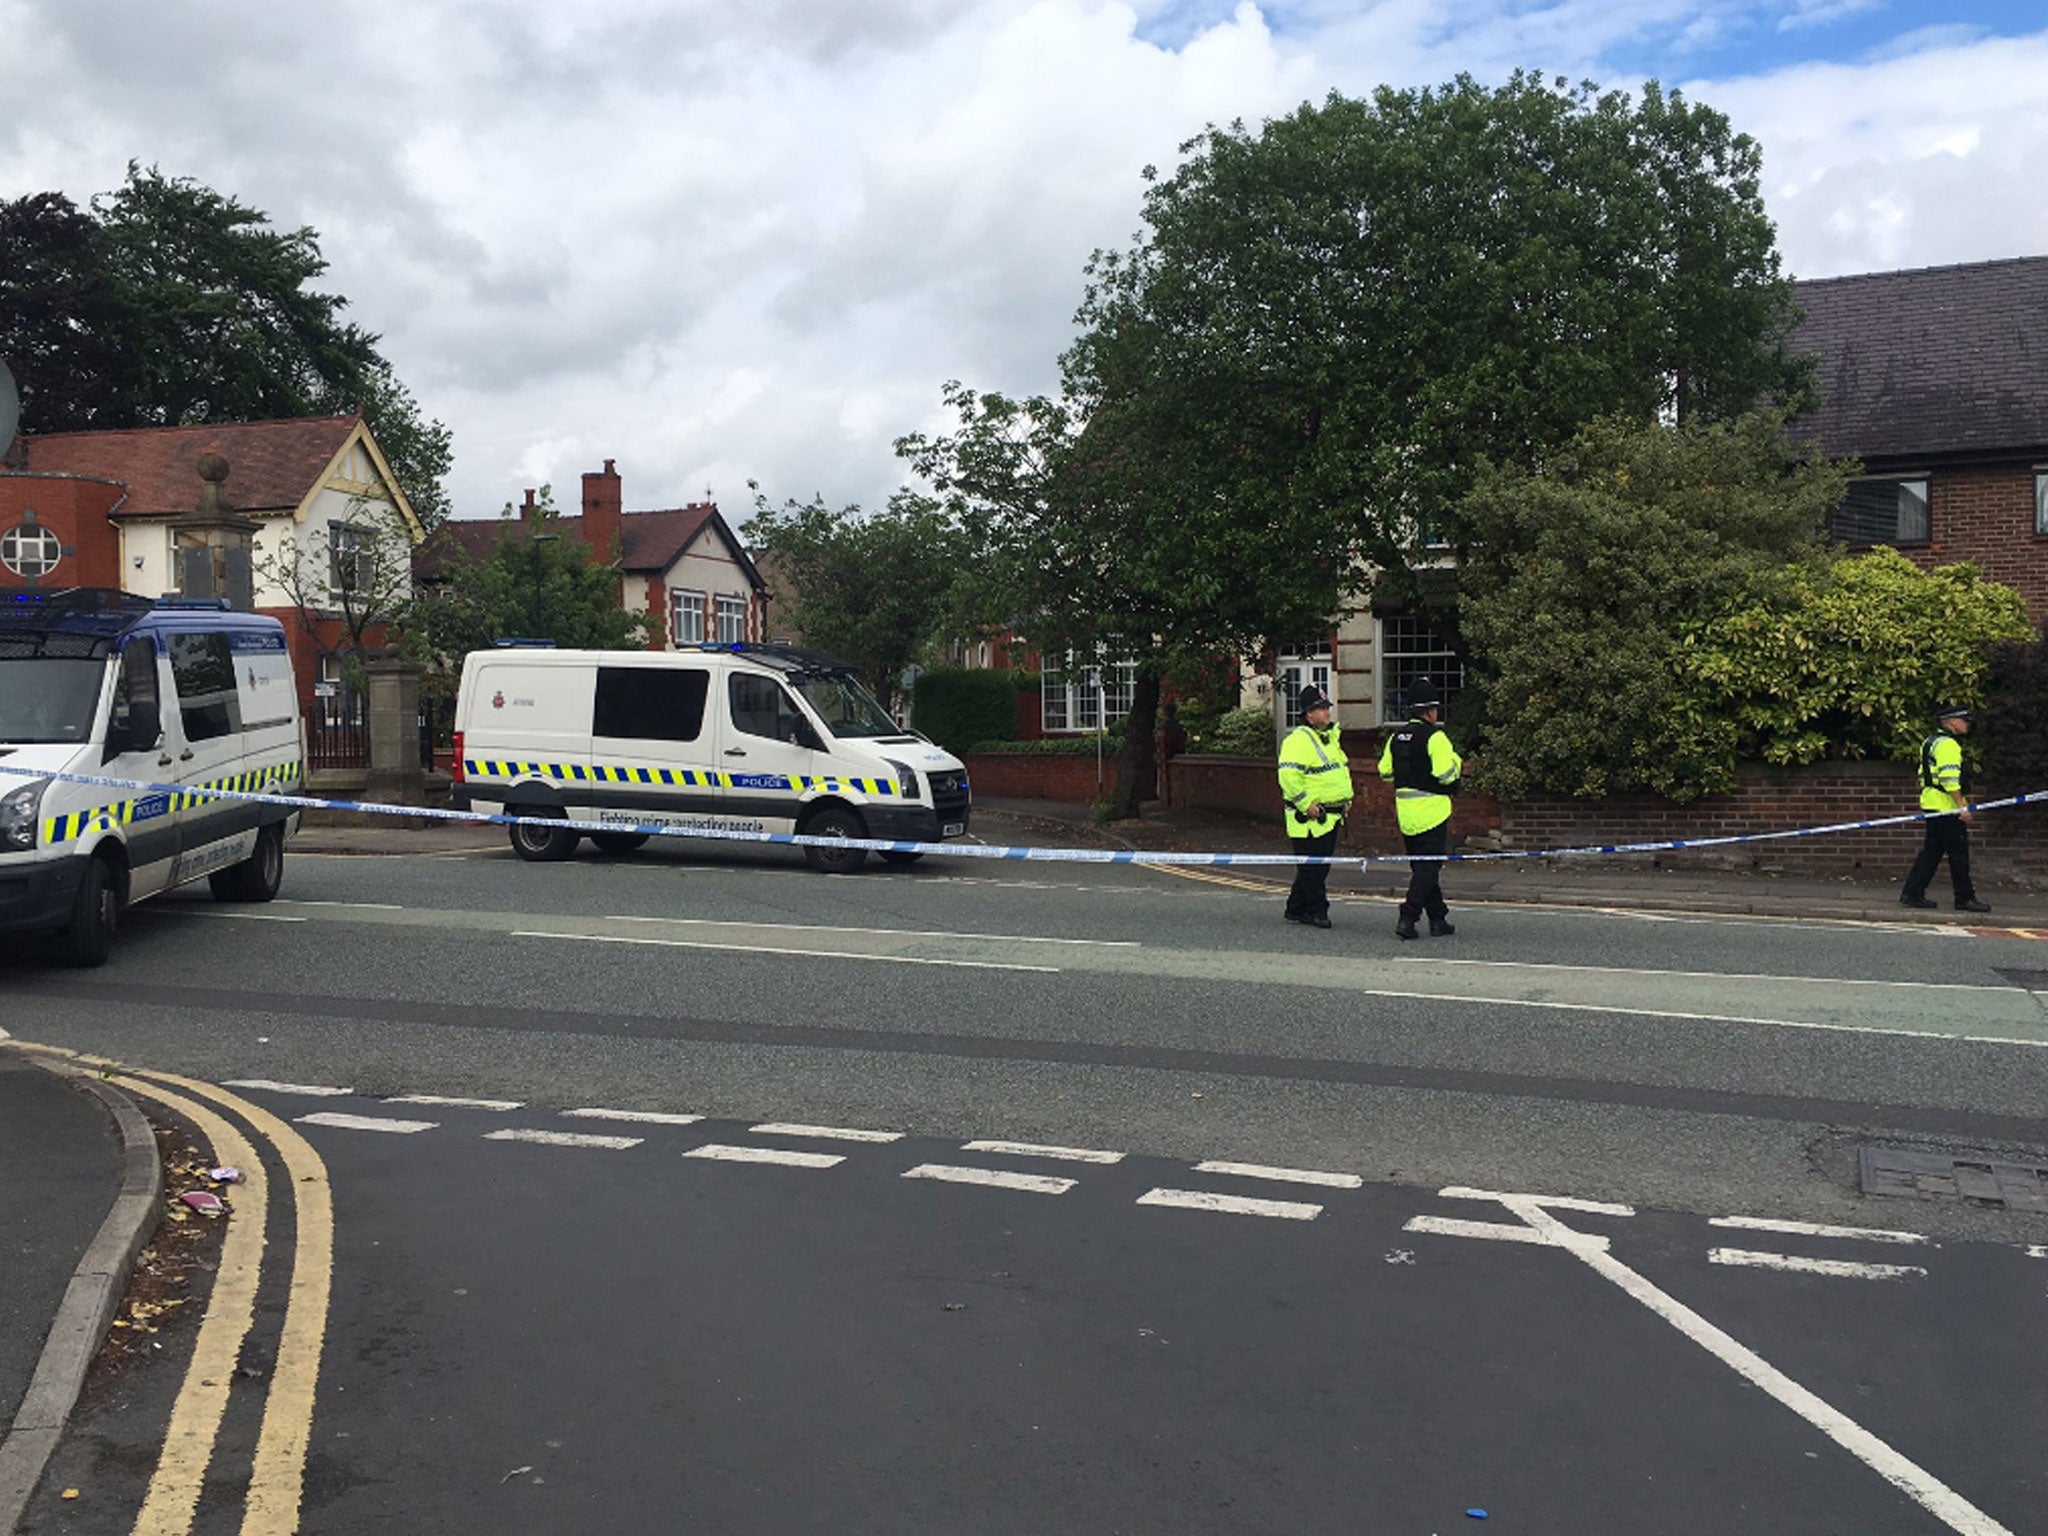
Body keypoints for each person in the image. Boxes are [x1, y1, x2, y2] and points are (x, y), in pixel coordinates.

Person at [1377, 679, 1463, 941]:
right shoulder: (1435, 737)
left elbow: (1385, 772)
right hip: (1432, 813)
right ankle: (1408, 916)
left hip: (1407, 814)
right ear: (1429, 711)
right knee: (1428, 869)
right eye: (1435, 708)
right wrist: (1456, 767)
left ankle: (1438, 919)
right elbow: (1445, 774)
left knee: (1423, 869)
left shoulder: (1396, 738)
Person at [1901, 705, 1992, 914]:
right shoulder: (1949, 745)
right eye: (1964, 720)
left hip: (1932, 804)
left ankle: (1912, 893)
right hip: (1946, 807)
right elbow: (1950, 780)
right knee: (1958, 853)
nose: (1967, 724)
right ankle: (1965, 898)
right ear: (1952, 722)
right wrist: (1962, 807)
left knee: (1932, 852)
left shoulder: (1930, 742)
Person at [1277, 683, 1352, 929]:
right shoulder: (1298, 741)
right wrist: (1304, 804)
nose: (1327, 712)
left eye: (1326, 707)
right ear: (1309, 714)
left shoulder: (1329, 739)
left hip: (1329, 816)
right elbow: (1288, 777)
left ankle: (1295, 908)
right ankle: (1317, 911)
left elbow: (1336, 772)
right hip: (1310, 818)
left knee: (1315, 866)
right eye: (1321, 709)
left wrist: (1345, 799)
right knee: (1314, 868)